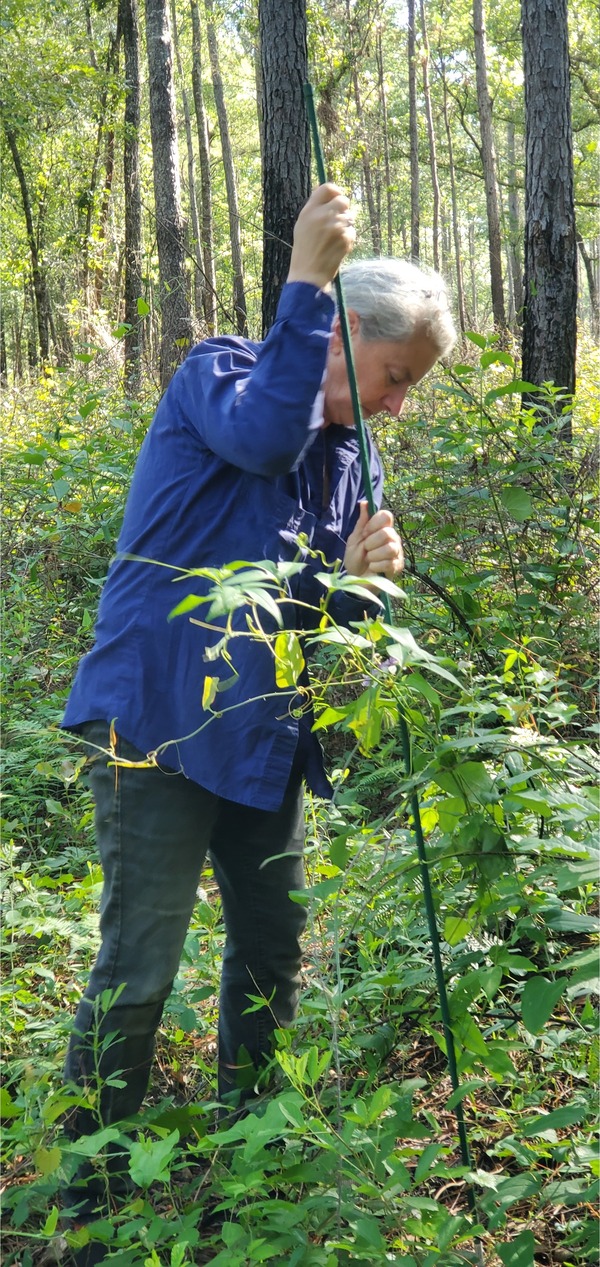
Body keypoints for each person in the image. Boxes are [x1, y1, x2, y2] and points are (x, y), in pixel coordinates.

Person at [60, 184, 456, 1245]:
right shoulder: (220, 376)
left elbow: (300, 607)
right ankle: (88, 1198)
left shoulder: (340, 460)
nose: (397, 407)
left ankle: (256, 1150)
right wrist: (304, 279)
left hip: (259, 736)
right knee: (139, 970)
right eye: (394, 377)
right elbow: (262, 438)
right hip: (156, 721)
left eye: (411, 389)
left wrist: (356, 582)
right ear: (343, 332)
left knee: (272, 949)